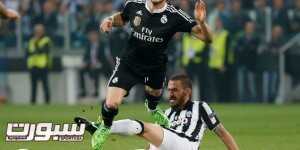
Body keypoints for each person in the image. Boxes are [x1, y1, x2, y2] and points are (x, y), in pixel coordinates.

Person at [94, 0, 212, 149]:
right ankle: (105, 127)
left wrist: (201, 22)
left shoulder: (175, 15)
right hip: (128, 64)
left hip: (154, 66)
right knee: (111, 104)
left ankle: (151, 107)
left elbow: (207, 38)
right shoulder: (134, 4)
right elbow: (123, 17)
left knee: (154, 93)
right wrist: (110, 19)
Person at [75, 74, 239, 150]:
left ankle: (101, 127)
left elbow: (223, 133)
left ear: (187, 92)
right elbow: (156, 140)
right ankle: (102, 128)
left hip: (186, 145)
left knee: (140, 126)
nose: (170, 93)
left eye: (175, 90)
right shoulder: (167, 113)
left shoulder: (200, 107)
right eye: (169, 90)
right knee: (142, 131)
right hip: (168, 145)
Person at [78, 30, 110, 98]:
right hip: (91, 65)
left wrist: (96, 64)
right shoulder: (88, 45)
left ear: (97, 36)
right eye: (90, 35)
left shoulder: (102, 44)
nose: (92, 37)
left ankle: (96, 91)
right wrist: (85, 63)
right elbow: (86, 56)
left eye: (93, 35)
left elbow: (104, 57)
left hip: (102, 65)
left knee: (96, 70)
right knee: (81, 70)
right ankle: (83, 90)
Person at [26, 24, 52, 104]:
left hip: (43, 66)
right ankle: (33, 102)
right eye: (36, 31)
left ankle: (47, 102)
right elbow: (27, 53)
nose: (38, 32)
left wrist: (35, 45)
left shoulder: (46, 40)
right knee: (33, 86)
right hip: (33, 66)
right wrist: (34, 51)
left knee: (45, 85)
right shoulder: (31, 41)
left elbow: (42, 51)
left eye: (39, 31)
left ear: (43, 31)